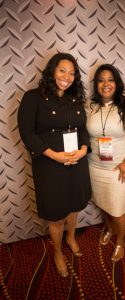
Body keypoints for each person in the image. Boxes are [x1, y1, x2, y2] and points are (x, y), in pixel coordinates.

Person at [18, 53, 91, 277]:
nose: (66, 76)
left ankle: (71, 237)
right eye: (62, 70)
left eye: (72, 73)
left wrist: (84, 149)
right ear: (52, 71)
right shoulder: (33, 97)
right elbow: (27, 133)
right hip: (50, 165)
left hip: (75, 161)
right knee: (56, 212)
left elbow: (82, 130)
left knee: (74, 204)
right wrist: (55, 156)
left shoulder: (75, 100)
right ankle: (58, 251)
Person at [86, 64, 125, 262]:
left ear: (116, 82)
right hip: (94, 166)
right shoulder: (90, 105)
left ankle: (120, 241)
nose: (105, 84)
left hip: (119, 167)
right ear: (96, 84)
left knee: (118, 209)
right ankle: (110, 230)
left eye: (110, 80)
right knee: (104, 204)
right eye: (101, 80)